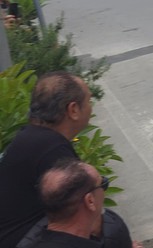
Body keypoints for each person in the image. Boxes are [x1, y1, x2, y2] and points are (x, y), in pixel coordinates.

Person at [0, 74, 92, 248]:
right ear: (73, 110)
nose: (91, 108)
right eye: (88, 101)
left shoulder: (31, 137)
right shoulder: (52, 150)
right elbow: (82, 216)